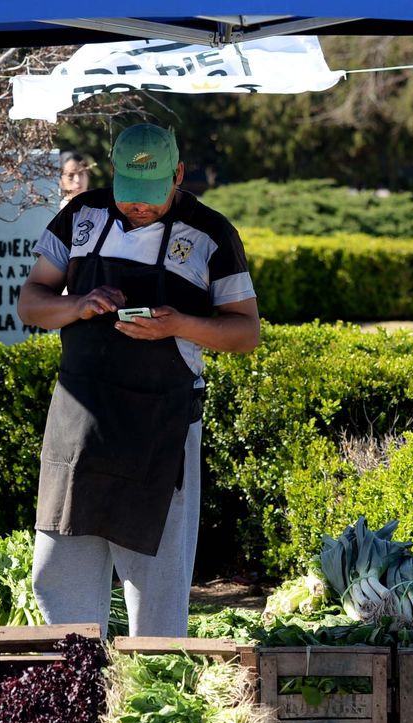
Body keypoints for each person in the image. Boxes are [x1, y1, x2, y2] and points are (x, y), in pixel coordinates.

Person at [18, 124, 260, 637]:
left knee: (156, 585)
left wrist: (177, 325)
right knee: (57, 571)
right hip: (79, 423)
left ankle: (149, 687)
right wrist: (77, 305)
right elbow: (32, 302)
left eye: (152, 197)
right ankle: (80, 685)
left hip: (160, 430)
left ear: (178, 174)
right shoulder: (79, 217)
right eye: (130, 195)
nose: (139, 208)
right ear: (113, 172)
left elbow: (245, 331)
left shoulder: (213, 235)